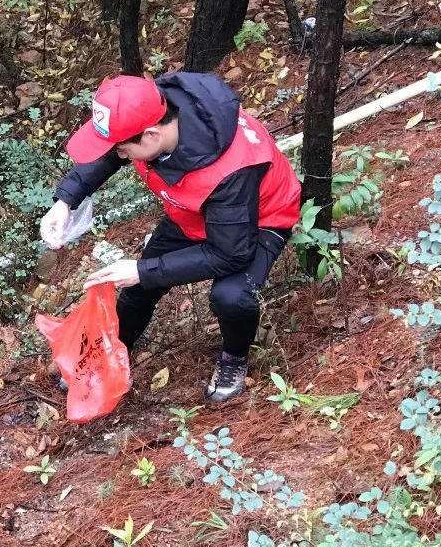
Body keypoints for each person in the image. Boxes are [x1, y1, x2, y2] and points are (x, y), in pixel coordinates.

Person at [40, 73, 301, 403]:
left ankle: (234, 358)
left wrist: (142, 269)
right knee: (138, 287)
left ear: (151, 136)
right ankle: (109, 355)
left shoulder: (230, 169)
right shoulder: (153, 110)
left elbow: (228, 254)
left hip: (259, 219)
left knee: (231, 296)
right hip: (194, 212)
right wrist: (66, 201)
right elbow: (110, 151)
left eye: (124, 150)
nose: (120, 156)